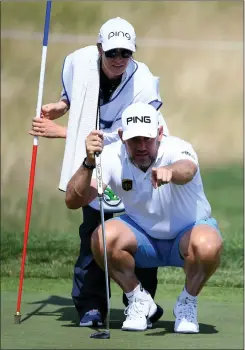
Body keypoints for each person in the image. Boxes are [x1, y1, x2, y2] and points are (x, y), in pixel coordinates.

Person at [30, 18, 170, 327]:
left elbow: (133, 135)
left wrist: (61, 131)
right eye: (112, 53)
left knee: (138, 234)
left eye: (126, 53)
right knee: (93, 231)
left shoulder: (143, 83)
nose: (119, 60)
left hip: (133, 159)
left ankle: (141, 304)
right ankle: (90, 307)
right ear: (99, 50)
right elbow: (80, 94)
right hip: (95, 160)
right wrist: (62, 105)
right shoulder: (79, 63)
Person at [65, 102, 223, 333]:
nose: (141, 147)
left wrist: (171, 172)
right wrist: (89, 162)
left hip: (187, 236)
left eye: (147, 139)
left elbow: (187, 169)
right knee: (102, 237)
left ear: (159, 133)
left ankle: (187, 303)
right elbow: (73, 200)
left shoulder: (177, 148)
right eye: (134, 140)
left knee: (208, 244)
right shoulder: (110, 157)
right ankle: (139, 300)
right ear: (121, 137)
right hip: (143, 239)